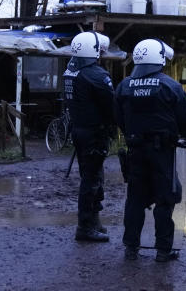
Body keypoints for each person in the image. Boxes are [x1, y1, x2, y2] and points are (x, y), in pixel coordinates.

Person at [115, 39, 186, 262]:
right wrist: (183, 137)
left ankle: (131, 247)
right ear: (159, 59)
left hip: (135, 150)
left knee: (135, 199)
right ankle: (163, 250)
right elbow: (185, 118)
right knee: (164, 199)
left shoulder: (124, 85)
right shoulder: (170, 85)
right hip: (163, 151)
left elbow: (118, 117)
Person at [63, 31, 116, 242]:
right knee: (92, 180)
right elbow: (111, 106)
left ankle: (93, 222)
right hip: (94, 131)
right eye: (99, 51)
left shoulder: (70, 71)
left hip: (79, 130)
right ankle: (86, 227)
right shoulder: (96, 75)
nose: (101, 54)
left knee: (91, 176)